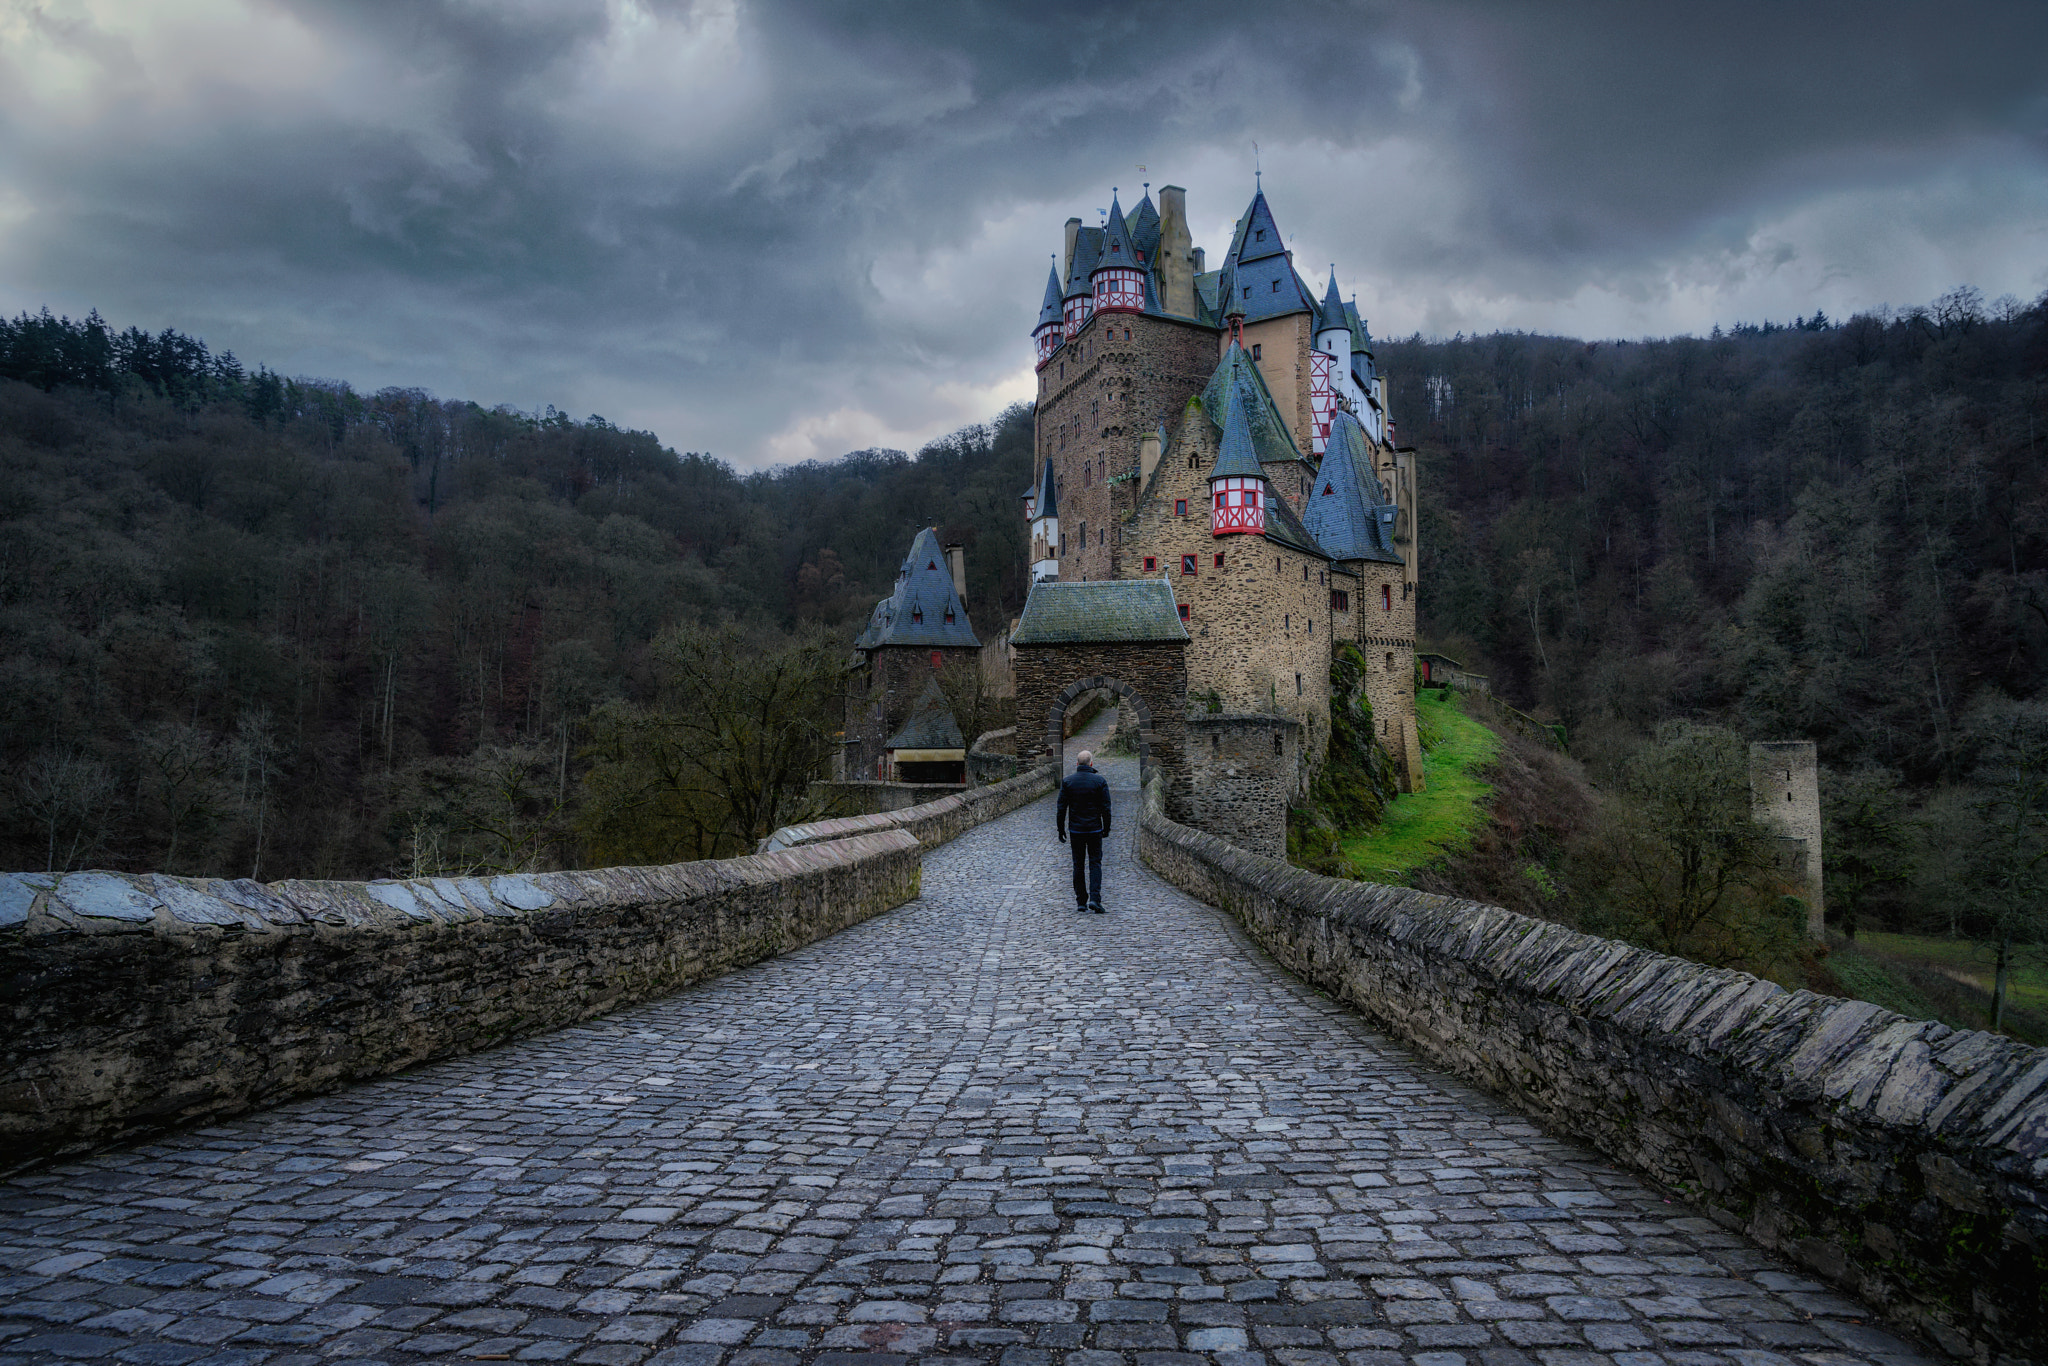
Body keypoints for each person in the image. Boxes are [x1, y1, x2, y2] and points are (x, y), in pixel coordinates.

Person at [1056, 749, 1111, 913]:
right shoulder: (1100, 781)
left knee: (1078, 865)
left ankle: (1081, 901)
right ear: (1091, 764)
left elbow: (1061, 808)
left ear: (1077, 764)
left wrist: (1061, 829)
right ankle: (1095, 898)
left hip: (1076, 830)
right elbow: (1106, 808)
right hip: (1094, 829)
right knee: (1095, 863)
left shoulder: (1068, 782)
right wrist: (1106, 828)